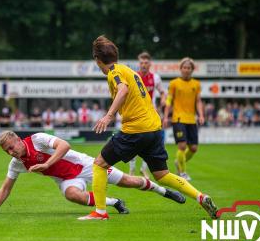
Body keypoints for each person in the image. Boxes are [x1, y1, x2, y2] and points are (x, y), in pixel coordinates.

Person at [80, 36, 218, 220]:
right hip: (153, 129)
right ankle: (200, 197)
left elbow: (123, 90)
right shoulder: (130, 71)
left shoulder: (114, 72)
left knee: (99, 165)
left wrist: (109, 115)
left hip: (136, 129)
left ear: (97, 60)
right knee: (162, 174)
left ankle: (100, 212)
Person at [0, 131, 185, 216]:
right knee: (71, 195)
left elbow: (64, 145)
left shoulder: (38, 139)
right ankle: (113, 202)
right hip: (66, 179)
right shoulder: (16, 163)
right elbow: (6, 186)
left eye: (11, 148)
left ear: (17, 139)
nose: (11, 153)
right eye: (7, 151)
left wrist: (46, 163)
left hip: (85, 165)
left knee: (128, 181)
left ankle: (162, 191)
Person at [163, 57, 204, 181]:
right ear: (181, 69)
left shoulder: (196, 84)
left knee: (193, 148)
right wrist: (165, 117)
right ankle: (182, 172)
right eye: (184, 67)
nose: (186, 70)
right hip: (178, 119)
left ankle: (179, 162)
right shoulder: (174, 83)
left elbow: (198, 101)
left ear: (192, 70)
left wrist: (201, 115)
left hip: (191, 119)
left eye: (189, 68)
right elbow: (169, 100)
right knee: (182, 146)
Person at [129, 52, 166, 179]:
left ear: (150, 64)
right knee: (133, 141)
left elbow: (162, 92)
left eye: (146, 63)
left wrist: (163, 99)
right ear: (139, 63)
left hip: (150, 113)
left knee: (150, 142)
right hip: (136, 113)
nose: (143, 65)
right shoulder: (133, 76)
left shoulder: (155, 77)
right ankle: (132, 170)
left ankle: (144, 169)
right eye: (141, 63)